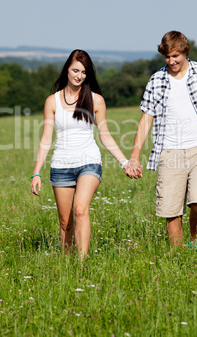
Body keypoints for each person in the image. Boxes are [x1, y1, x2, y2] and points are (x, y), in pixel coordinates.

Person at [125, 31, 197, 247]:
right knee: (171, 210)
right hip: (168, 151)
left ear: (185, 51)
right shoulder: (157, 80)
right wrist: (134, 157)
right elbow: (146, 120)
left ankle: (194, 242)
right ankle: (178, 257)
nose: (171, 61)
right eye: (167, 57)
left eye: (175, 56)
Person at [31, 49, 129, 258]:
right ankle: (67, 264)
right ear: (67, 69)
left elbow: (106, 136)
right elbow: (46, 139)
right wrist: (36, 172)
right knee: (65, 223)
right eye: (75, 70)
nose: (79, 75)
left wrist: (124, 162)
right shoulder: (52, 101)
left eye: (84, 72)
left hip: (89, 163)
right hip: (61, 166)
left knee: (81, 209)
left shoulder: (96, 100)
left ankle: (82, 264)